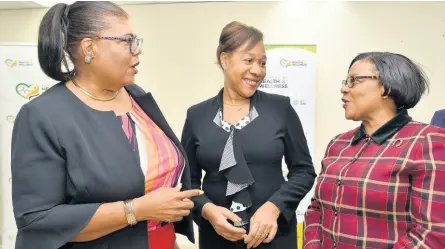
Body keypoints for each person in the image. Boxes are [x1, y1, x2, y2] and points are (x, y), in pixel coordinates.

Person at [11, 2, 200, 249]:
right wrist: (136, 210)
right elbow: (37, 220)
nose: (137, 50)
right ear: (89, 47)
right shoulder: (42, 115)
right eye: (127, 41)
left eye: (137, 40)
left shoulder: (136, 96)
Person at [181, 21, 316, 249]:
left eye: (262, 62)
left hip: (273, 236)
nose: (258, 70)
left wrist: (274, 207)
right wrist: (207, 210)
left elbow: (303, 171)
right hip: (217, 237)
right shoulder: (197, 116)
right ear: (225, 60)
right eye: (249, 60)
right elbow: (187, 181)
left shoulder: (280, 109)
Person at [304, 52, 445, 249]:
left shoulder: (427, 141)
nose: (344, 89)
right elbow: (316, 209)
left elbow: (433, 233)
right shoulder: (338, 144)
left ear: (387, 87)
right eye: (346, 81)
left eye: (354, 81)